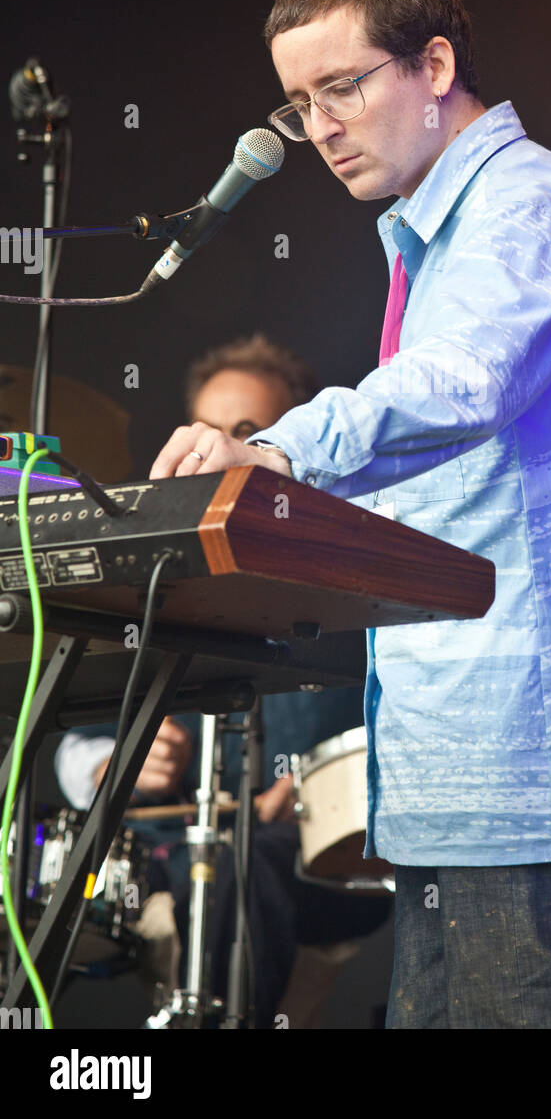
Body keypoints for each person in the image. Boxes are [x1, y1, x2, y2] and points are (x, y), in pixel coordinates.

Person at [150, 0, 551, 1030]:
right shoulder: (432, 235)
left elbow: (462, 382)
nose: (319, 127)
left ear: (434, 63)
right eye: (300, 102)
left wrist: (272, 449)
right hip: (453, 772)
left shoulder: (525, 205)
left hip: (521, 760)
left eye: (343, 87)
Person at [56, 334, 392, 1028]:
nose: (221, 452)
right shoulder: (153, 580)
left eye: (252, 435)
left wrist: (313, 783)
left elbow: (409, 723)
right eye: (208, 433)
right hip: (166, 855)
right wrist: (111, 764)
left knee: (240, 869)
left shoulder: (352, 583)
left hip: (316, 864)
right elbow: (73, 740)